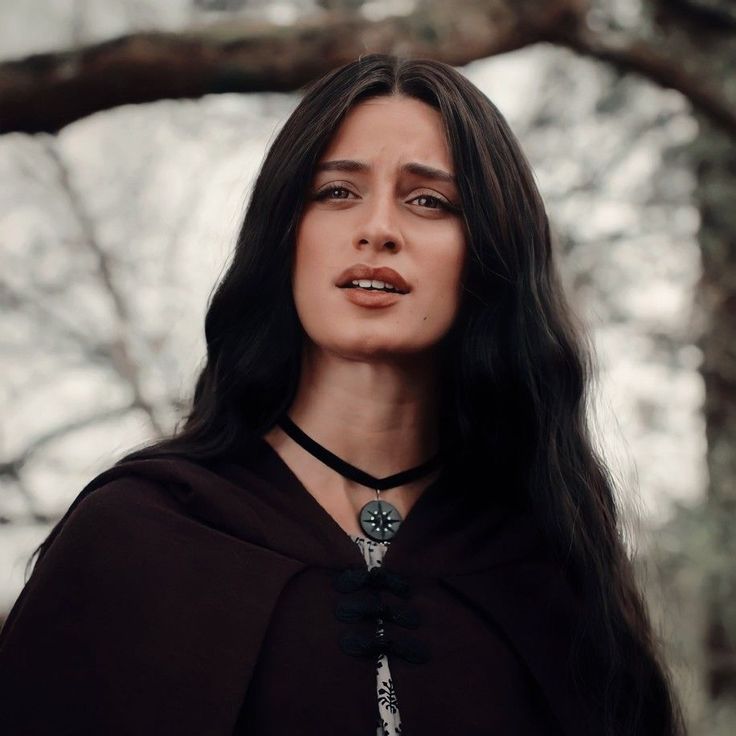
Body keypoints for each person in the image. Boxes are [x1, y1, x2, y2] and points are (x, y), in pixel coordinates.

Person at [0, 54, 685, 735]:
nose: (378, 228)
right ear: (285, 234)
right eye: (336, 192)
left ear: (487, 252)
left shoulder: (546, 563)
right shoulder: (138, 535)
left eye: (429, 201)